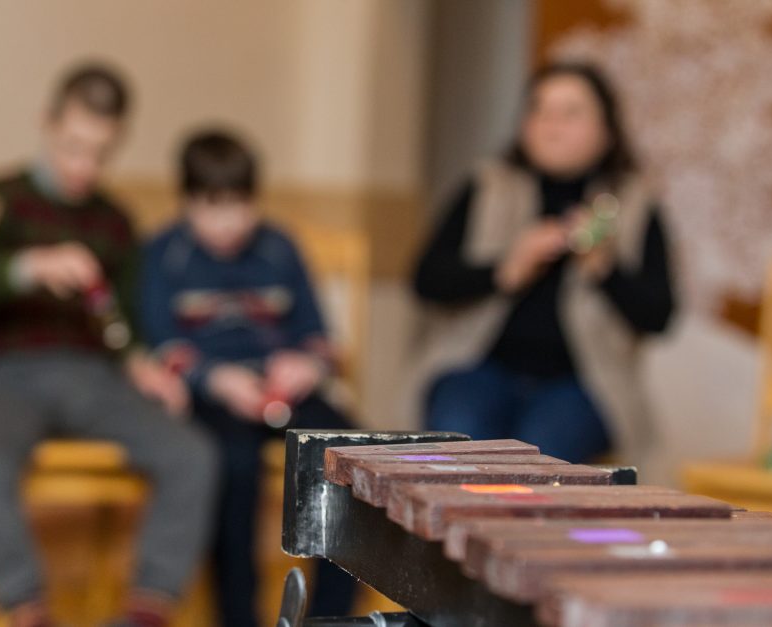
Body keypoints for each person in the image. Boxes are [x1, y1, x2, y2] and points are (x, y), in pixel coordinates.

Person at [0, 64, 219, 627]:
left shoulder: (115, 221)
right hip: (6, 376)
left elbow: (123, 324)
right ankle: (27, 610)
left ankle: (146, 610)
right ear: (46, 124)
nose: (85, 167)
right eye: (74, 147)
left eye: (101, 154)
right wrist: (29, 267)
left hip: (97, 379)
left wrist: (143, 366)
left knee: (193, 454)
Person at [141, 129, 357, 627]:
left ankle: (330, 617)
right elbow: (160, 346)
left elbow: (321, 339)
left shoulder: (280, 249)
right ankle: (238, 615)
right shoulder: (163, 255)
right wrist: (215, 379)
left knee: (346, 452)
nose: (229, 223)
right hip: (213, 397)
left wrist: (306, 364)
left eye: (240, 206)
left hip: (285, 391)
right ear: (187, 203)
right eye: (213, 207)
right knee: (229, 467)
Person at [411, 62, 676, 465]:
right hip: (478, 365)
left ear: (606, 130)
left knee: (538, 457)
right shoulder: (487, 187)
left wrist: (604, 269)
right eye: (540, 110)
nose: (552, 126)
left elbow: (659, 315)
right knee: (459, 435)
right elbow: (425, 280)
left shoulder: (634, 203)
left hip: (586, 382)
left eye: (571, 113)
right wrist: (504, 270)